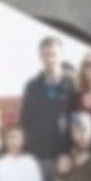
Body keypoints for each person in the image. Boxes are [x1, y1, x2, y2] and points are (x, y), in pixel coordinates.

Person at [20, 35, 76, 164]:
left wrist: (69, 152)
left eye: (53, 54)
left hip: (65, 157)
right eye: (46, 54)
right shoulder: (32, 86)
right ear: (40, 57)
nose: (50, 58)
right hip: (37, 156)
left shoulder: (73, 85)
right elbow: (25, 120)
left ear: (61, 56)